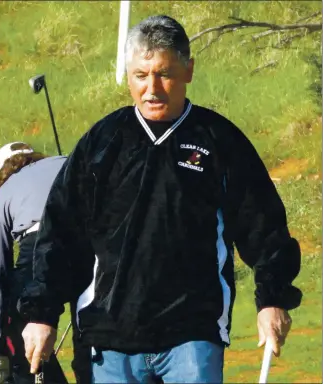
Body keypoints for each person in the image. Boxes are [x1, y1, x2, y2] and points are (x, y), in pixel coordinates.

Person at [19, 15, 302, 384]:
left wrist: (272, 298)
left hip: (191, 335)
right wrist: (41, 313)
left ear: (188, 70)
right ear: (128, 75)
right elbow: (60, 233)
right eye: (140, 75)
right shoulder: (101, 143)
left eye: (164, 73)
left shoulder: (219, 140)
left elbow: (264, 227)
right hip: (109, 335)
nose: (152, 88)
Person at [0, 142, 70, 384]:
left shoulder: (4, 193)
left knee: (20, 321)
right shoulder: (66, 161)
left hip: (38, 245)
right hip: (89, 241)